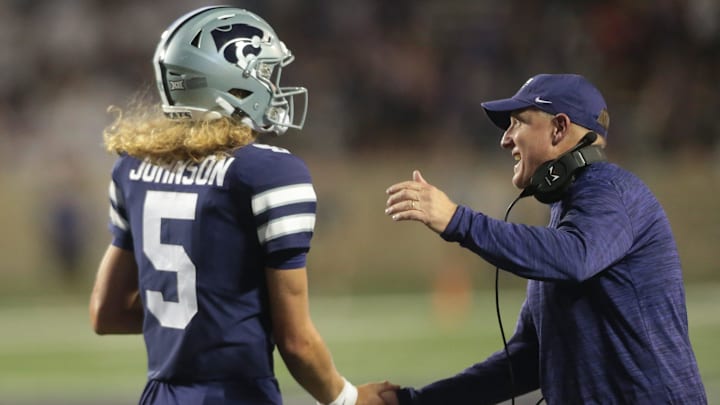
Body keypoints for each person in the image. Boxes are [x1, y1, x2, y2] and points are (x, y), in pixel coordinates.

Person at [89, 6, 396, 405]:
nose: (271, 85)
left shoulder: (132, 169)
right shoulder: (270, 173)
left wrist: (211, 321)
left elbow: (106, 313)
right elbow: (296, 341)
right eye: (263, 72)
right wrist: (349, 398)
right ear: (227, 81)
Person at [382, 74, 707, 404]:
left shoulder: (612, 192)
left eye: (517, 123)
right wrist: (412, 401)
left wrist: (457, 220)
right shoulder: (569, 213)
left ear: (559, 129)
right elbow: (527, 362)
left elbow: (576, 257)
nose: (505, 140)